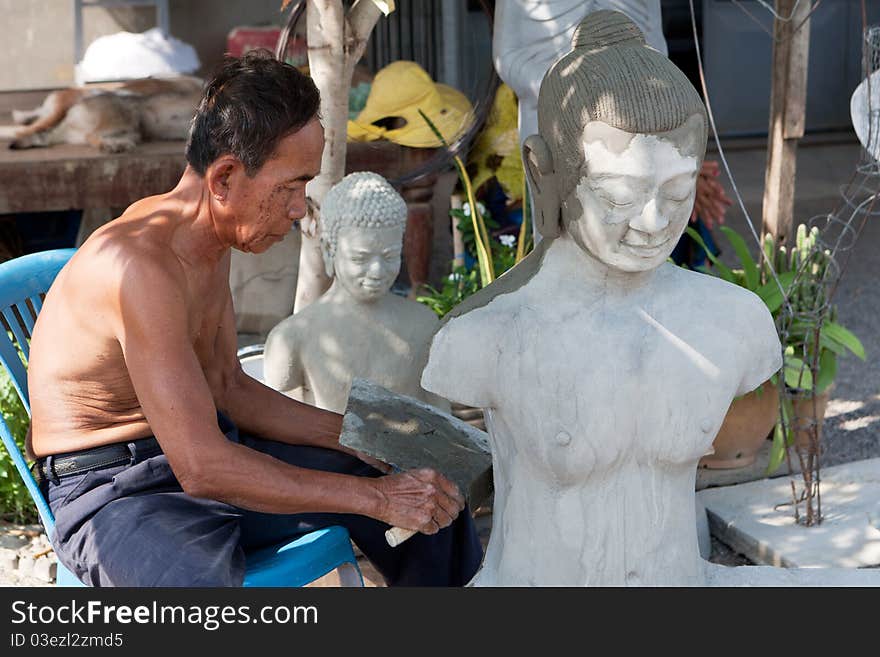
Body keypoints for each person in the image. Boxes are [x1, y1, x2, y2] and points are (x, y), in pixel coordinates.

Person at [25, 50, 482, 587]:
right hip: (117, 491)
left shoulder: (206, 242)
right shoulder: (142, 267)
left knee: (425, 493)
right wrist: (374, 499)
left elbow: (227, 386)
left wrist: (358, 439)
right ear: (224, 179)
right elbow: (202, 466)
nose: (298, 209)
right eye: (289, 187)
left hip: (208, 447)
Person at [421, 10, 782, 586]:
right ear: (546, 173)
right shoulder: (488, 335)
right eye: (618, 195)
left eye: (678, 190)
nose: (654, 220)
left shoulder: (735, 321)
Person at [493, 0, 732, 263]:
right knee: (562, 227)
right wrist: (562, 91)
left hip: (637, 117)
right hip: (552, 112)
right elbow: (508, 56)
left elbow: (656, 46)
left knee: (644, 210)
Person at [263, 171, 451, 415]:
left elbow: (443, 419)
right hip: (330, 452)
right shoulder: (292, 337)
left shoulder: (424, 325)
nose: (376, 271)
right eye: (360, 258)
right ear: (330, 250)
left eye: (389, 256)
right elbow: (277, 421)